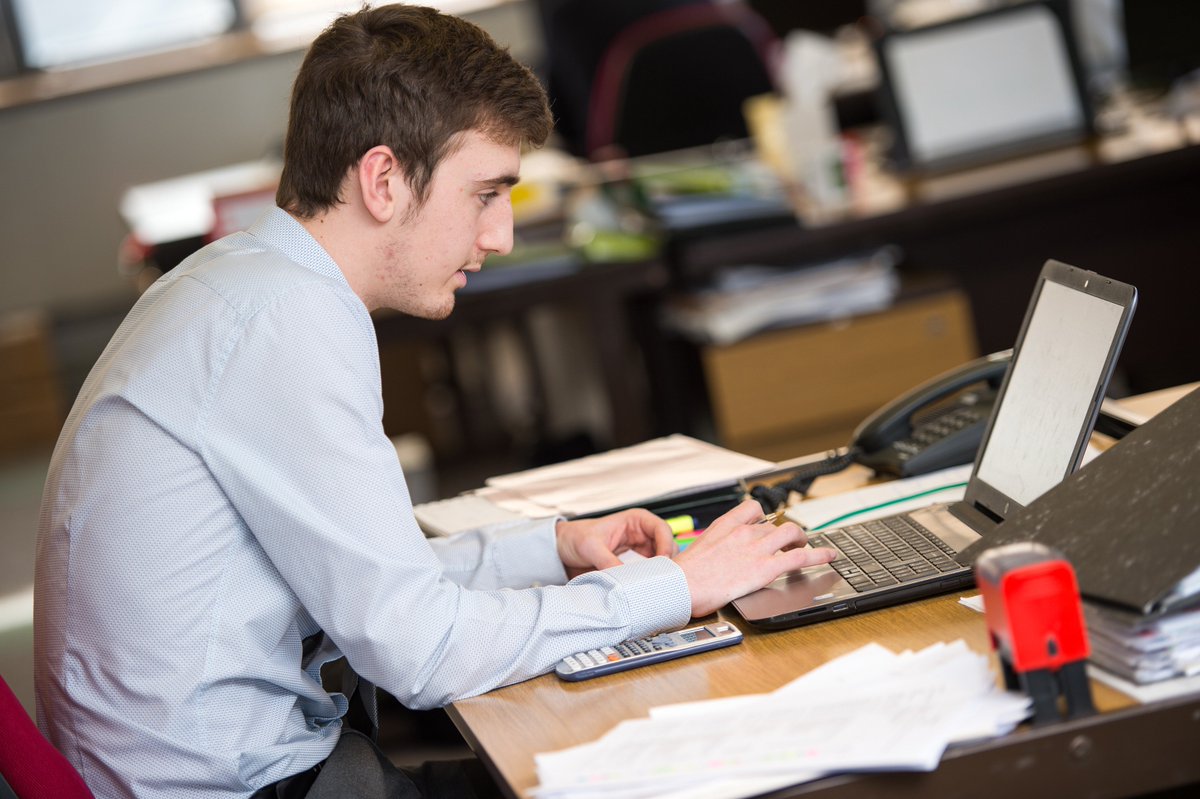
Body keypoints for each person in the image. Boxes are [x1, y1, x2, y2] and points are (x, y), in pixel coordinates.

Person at [33, 4, 837, 798]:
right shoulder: (286, 325)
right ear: (383, 179)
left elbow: (376, 574)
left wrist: (555, 545)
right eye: (486, 194)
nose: (501, 236)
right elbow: (421, 649)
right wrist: (677, 589)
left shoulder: (245, 286)